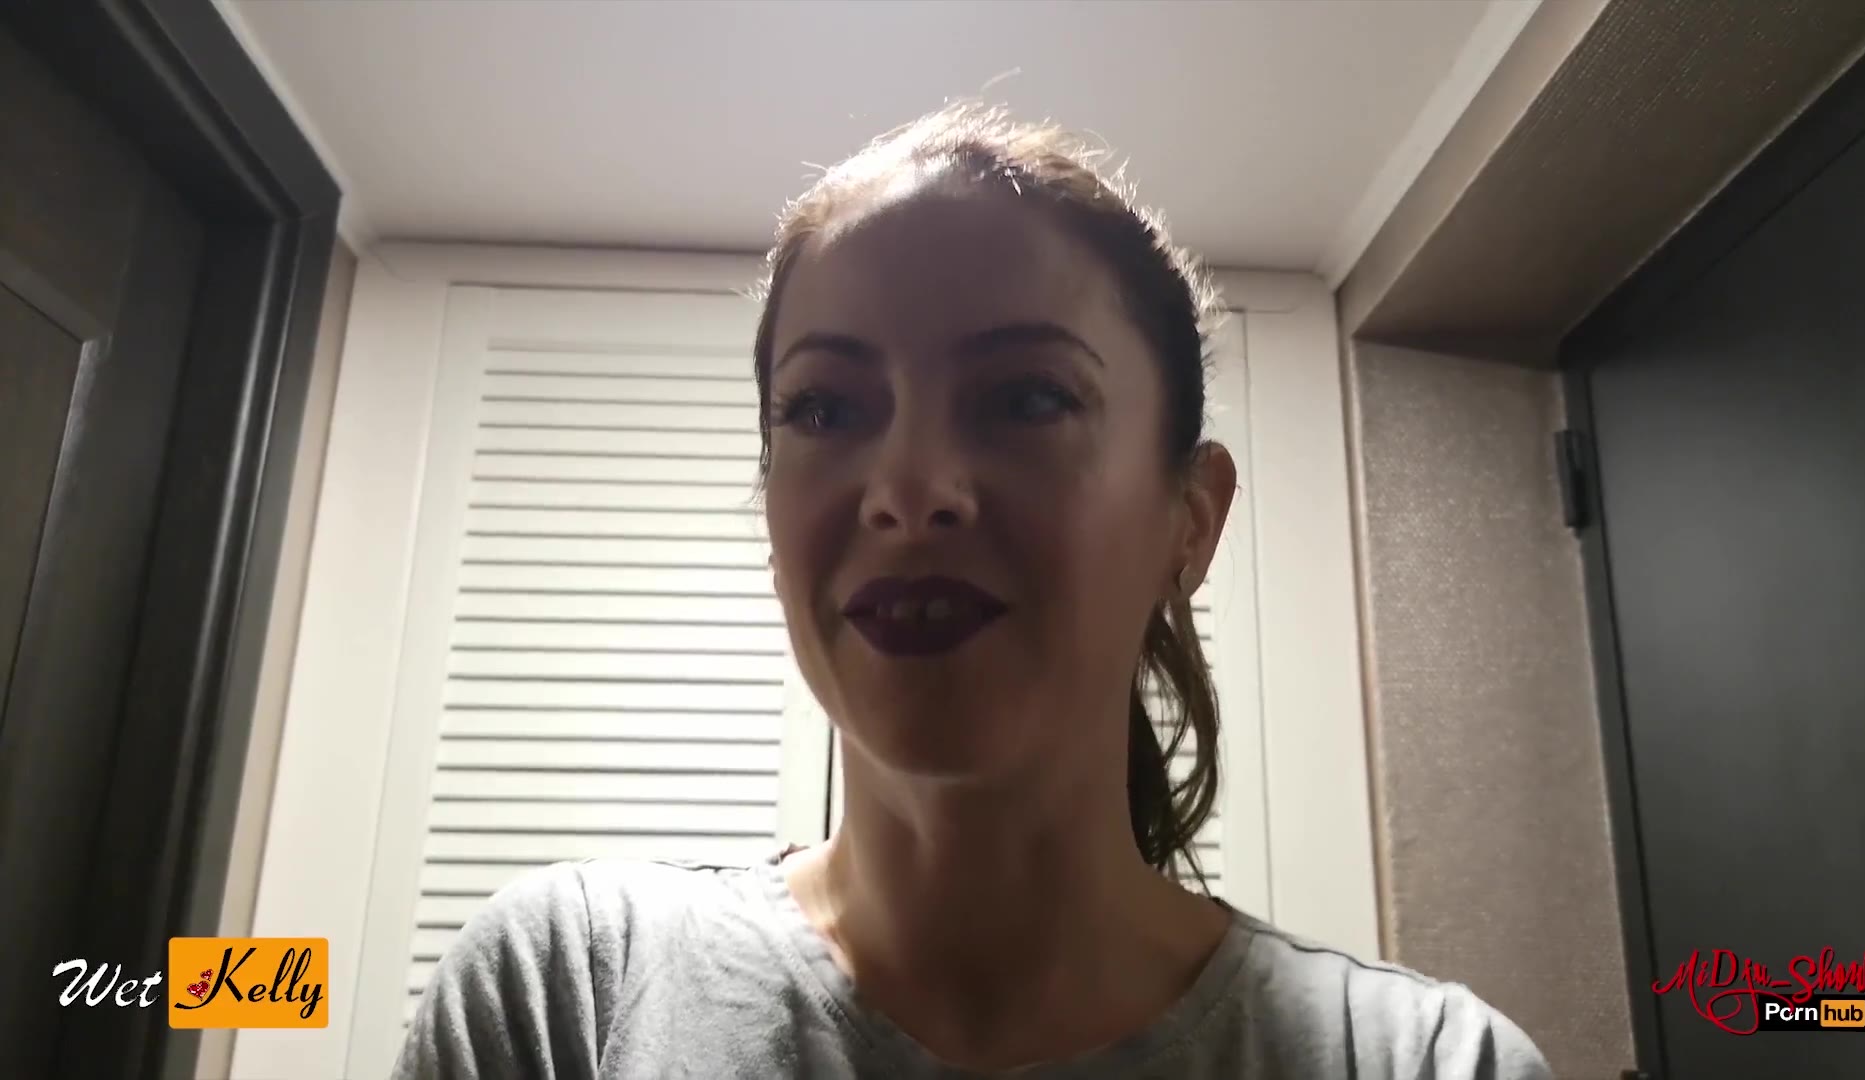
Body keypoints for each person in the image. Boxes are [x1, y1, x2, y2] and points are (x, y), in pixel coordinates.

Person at [394, 102, 1552, 1080]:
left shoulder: (1428, 1063)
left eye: (1026, 398)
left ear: (1190, 519)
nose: (908, 493)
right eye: (825, 408)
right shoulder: (567, 993)